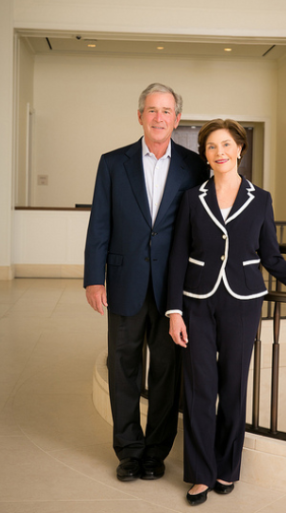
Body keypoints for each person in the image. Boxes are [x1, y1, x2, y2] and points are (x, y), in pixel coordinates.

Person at [167, 119, 286, 506]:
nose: (220, 152)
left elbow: (272, 257)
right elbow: (178, 254)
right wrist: (174, 312)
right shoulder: (192, 197)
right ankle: (199, 474)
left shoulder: (260, 199)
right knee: (198, 390)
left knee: (233, 388)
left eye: (226, 145)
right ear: (205, 155)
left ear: (240, 150)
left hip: (243, 303)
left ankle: (226, 468)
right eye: (212, 147)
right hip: (196, 301)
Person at [84, 83, 209, 483]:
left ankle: (155, 452)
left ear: (176, 119)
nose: (159, 117)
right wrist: (93, 278)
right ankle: (129, 451)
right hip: (124, 280)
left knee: (166, 372)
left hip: (174, 289)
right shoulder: (112, 163)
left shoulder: (194, 166)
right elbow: (100, 223)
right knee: (124, 368)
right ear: (140, 116)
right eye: (152, 110)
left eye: (166, 111)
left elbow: (200, 228)